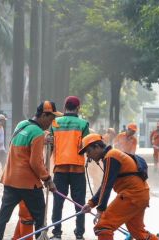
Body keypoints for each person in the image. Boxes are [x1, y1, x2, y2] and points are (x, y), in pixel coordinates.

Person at [0, 101, 60, 240]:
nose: (51, 123)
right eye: (51, 119)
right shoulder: (38, 133)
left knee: (3, 216)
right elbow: (35, 162)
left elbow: (21, 147)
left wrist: (43, 139)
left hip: (10, 179)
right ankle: (41, 237)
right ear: (44, 115)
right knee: (40, 216)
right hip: (28, 183)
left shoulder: (21, 125)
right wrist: (48, 179)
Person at [80, 134, 158, 240]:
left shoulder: (111, 156)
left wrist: (100, 209)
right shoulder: (113, 155)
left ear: (97, 147)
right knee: (139, 233)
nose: (88, 156)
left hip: (131, 196)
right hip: (140, 196)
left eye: (88, 152)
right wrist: (91, 204)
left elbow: (107, 185)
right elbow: (105, 185)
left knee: (103, 226)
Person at [51, 96, 90, 240]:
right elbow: (87, 145)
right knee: (79, 203)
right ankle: (79, 234)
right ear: (78, 108)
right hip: (77, 169)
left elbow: (49, 145)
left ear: (64, 106)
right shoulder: (83, 124)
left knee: (57, 202)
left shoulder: (55, 123)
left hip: (60, 168)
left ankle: (56, 233)